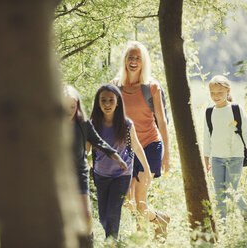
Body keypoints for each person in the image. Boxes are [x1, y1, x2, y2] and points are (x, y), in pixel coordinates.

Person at [112, 41, 170, 233]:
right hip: (126, 151)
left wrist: (167, 153)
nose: (133, 61)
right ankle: (160, 219)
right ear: (125, 60)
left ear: (143, 61)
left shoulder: (151, 87)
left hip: (150, 146)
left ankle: (140, 240)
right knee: (128, 203)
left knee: (140, 199)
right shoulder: (115, 87)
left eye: (138, 57)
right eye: (130, 57)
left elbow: (162, 122)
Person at [63, 85, 128, 246]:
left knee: (86, 214)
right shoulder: (53, 125)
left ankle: (90, 240)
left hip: (80, 173)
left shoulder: (84, 124)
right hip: (61, 174)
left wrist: (117, 157)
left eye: (73, 106)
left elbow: (99, 142)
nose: (69, 110)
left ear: (77, 106)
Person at [86, 84, 152, 239]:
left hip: (122, 175)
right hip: (101, 175)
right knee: (103, 216)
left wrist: (147, 169)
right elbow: (86, 148)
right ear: (98, 103)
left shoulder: (126, 124)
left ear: (117, 102)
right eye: (103, 100)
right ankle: (118, 239)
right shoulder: (93, 123)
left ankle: (112, 242)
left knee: (113, 211)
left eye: (111, 100)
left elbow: (136, 146)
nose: (107, 104)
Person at [203, 75, 247, 221]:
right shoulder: (209, 112)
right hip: (217, 158)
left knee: (232, 190)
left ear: (228, 91)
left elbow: (246, 131)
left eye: (220, 92)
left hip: (235, 156)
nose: (216, 96)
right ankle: (223, 227)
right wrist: (206, 160)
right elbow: (207, 137)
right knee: (219, 194)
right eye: (213, 93)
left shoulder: (236, 109)